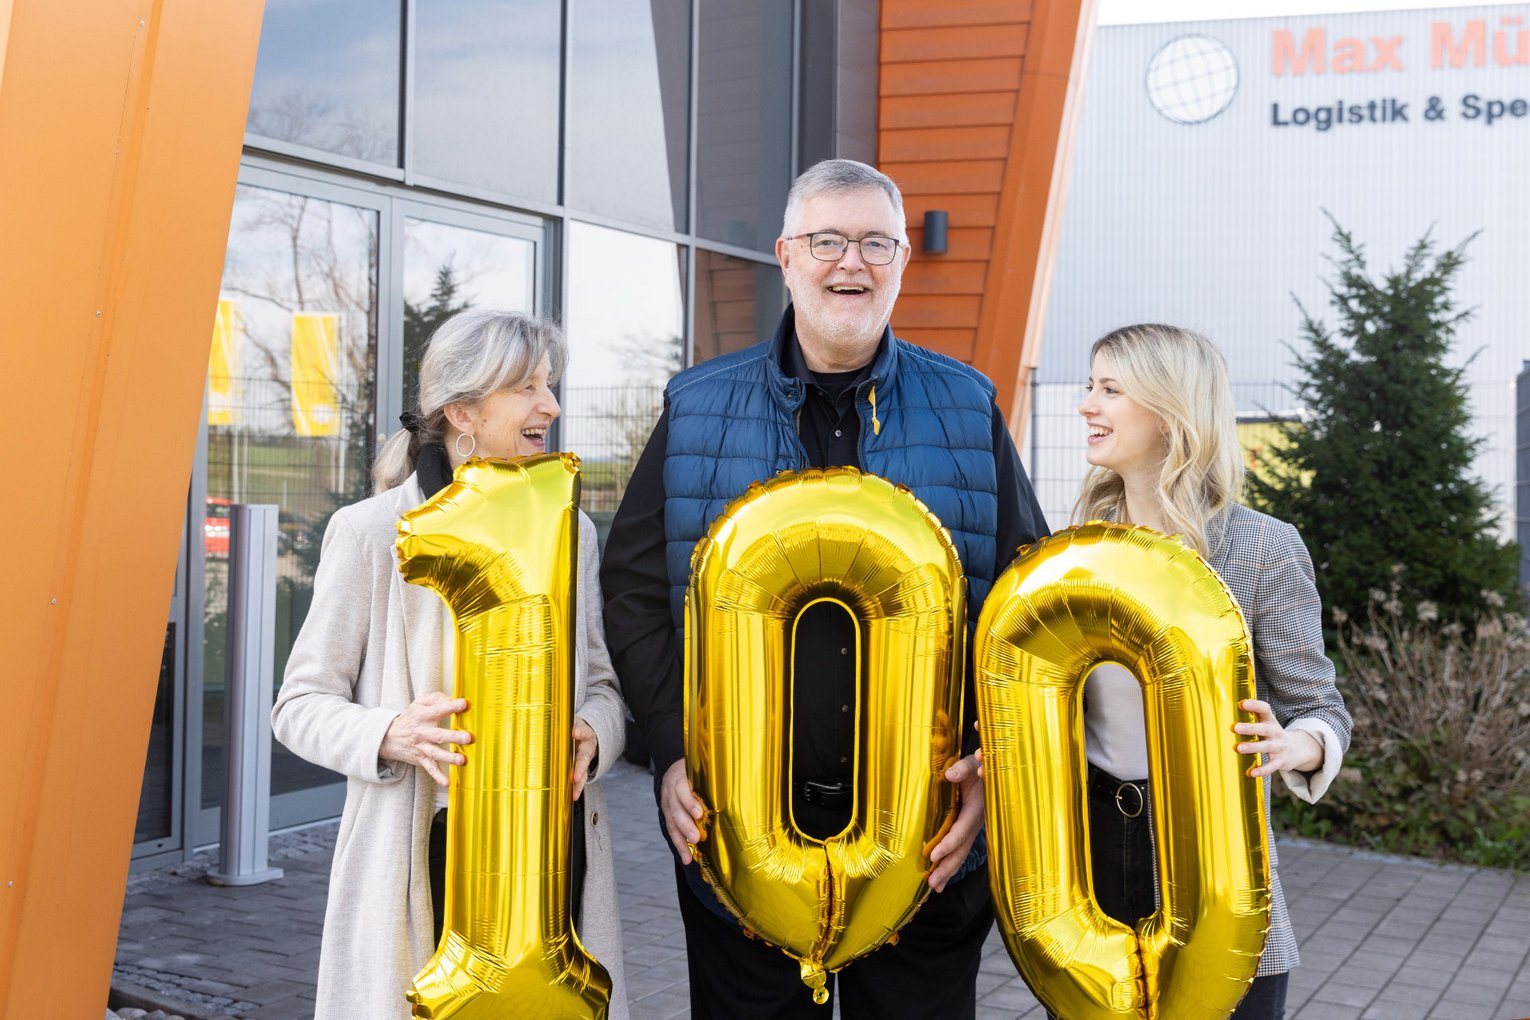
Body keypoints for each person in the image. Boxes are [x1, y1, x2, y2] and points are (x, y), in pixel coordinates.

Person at [601, 158, 1048, 1018]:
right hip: (738, 825)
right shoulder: (697, 406)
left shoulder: (966, 405)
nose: (853, 263)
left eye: (876, 242)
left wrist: (997, 765)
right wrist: (668, 751)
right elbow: (631, 589)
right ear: (786, 254)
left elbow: (1021, 602)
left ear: (904, 258)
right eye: (828, 240)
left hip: (925, 838)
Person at [271, 310, 629, 1020]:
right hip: (418, 860)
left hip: (553, 864)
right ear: (462, 411)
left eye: (550, 385)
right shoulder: (372, 533)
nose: (550, 407)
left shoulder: (572, 530)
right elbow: (299, 705)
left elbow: (604, 686)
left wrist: (595, 730)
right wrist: (387, 734)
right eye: (527, 388)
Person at [1072, 323, 1352, 1019]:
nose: (1087, 404)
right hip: (1086, 863)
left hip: (1218, 867)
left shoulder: (1263, 547)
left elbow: (1319, 703)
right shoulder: (1072, 551)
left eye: (1110, 389)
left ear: (1170, 412)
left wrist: (1297, 743)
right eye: (1089, 386)